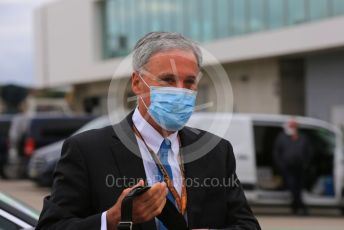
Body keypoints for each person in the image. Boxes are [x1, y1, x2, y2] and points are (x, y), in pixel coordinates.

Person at [37, 32, 260, 229]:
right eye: (167, 80)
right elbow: (52, 225)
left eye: (189, 82)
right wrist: (113, 219)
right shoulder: (87, 150)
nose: (180, 91)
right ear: (137, 83)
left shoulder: (216, 151)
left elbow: (247, 224)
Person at [273, 119, 312, 215]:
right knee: (292, 186)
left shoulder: (303, 137)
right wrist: (281, 165)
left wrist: (306, 163)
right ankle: (301, 207)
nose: (291, 128)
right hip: (287, 167)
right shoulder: (282, 137)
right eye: (290, 126)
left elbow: (309, 152)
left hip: (300, 167)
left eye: (293, 126)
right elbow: (276, 152)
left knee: (299, 187)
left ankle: (296, 207)